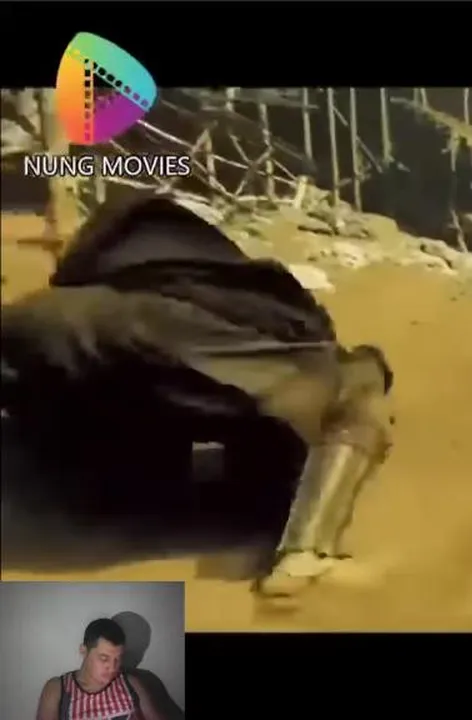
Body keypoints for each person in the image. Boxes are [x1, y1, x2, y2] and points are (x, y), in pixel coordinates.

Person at [0, 193, 395, 597]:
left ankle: (55, 488)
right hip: (157, 332)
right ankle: (306, 554)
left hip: (47, 320)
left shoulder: (161, 261)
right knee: (356, 383)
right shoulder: (286, 333)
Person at [35, 618, 165, 720]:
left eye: (118, 659)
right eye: (104, 658)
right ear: (84, 651)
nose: (112, 667)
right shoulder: (57, 688)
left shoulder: (131, 683)